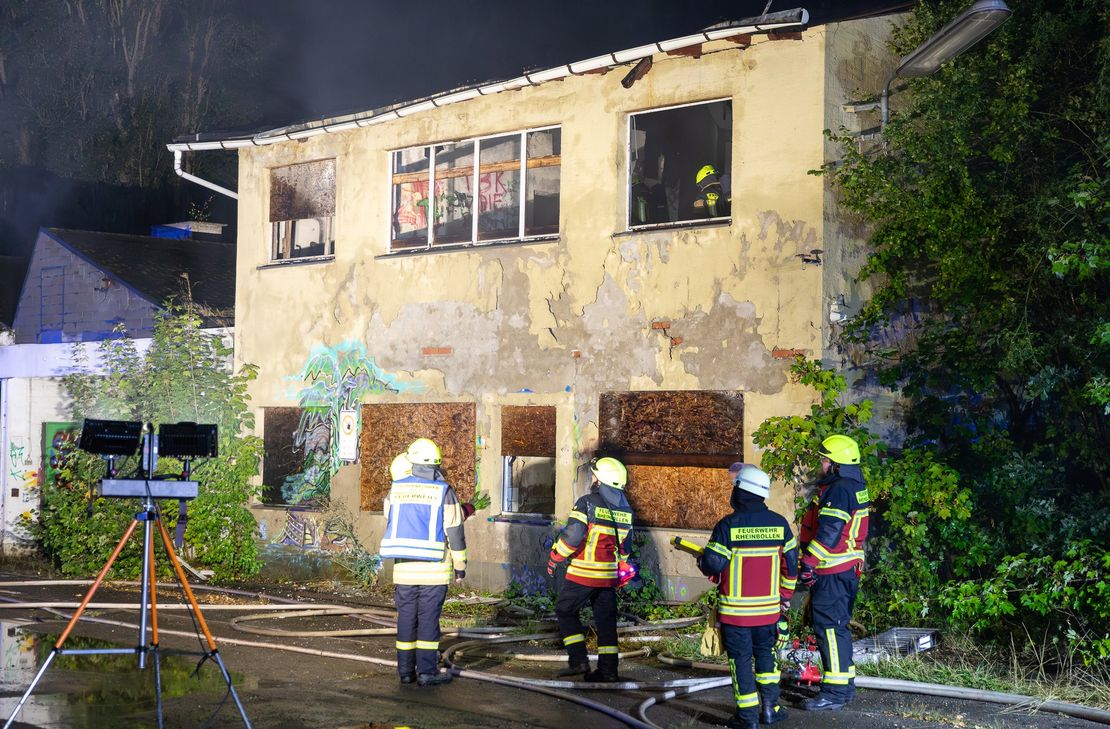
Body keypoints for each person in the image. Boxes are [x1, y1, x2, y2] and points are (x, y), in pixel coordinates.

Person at [698, 463, 797, 729]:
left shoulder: (728, 525)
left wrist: (703, 561)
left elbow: (714, 565)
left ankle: (748, 718)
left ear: (741, 492)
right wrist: (785, 596)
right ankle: (771, 710)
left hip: (736, 614)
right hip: (768, 612)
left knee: (740, 662)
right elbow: (791, 566)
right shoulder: (780, 524)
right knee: (767, 658)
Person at [379, 438, 467, 687]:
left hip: (404, 570)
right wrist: (460, 566)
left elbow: (391, 516)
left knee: (406, 620)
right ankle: (428, 673)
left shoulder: (395, 489)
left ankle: (406, 672)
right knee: (428, 621)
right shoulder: (443, 490)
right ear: (437, 463)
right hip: (434, 570)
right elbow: (455, 531)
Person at [546, 456, 635, 682]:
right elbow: (625, 548)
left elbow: (573, 537)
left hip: (582, 574)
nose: (593, 477)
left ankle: (578, 661)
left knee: (566, 611)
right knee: (606, 622)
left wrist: (556, 556)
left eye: (594, 474)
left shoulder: (587, 502)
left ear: (599, 480)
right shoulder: (626, 510)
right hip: (608, 577)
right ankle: (608, 671)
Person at [797, 434, 870, 711]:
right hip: (846, 569)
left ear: (836, 464)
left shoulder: (839, 490)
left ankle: (835, 693)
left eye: (825, 460)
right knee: (837, 628)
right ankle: (845, 687)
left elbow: (829, 531)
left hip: (834, 569)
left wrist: (808, 563)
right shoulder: (852, 485)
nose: (821, 464)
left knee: (828, 629)